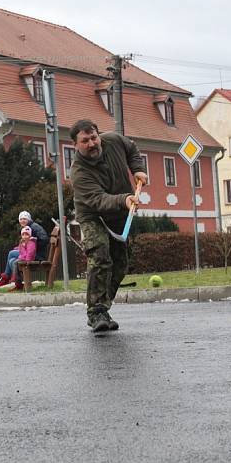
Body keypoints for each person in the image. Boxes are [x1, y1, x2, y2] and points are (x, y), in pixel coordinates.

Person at [69, 119, 148, 333]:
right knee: (101, 255)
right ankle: (95, 313)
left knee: (121, 263)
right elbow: (99, 200)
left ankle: (104, 307)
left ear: (98, 134)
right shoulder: (79, 173)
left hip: (120, 212)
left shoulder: (113, 140)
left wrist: (137, 169)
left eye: (93, 137)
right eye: (85, 141)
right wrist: (124, 199)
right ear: (75, 145)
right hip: (93, 215)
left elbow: (131, 149)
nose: (92, 143)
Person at [0, 210, 48, 288]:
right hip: (33, 253)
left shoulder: (33, 227)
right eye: (21, 219)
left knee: (11, 253)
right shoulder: (28, 228)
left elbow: (44, 239)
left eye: (25, 219)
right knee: (12, 261)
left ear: (29, 219)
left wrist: (33, 245)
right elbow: (26, 244)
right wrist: (22, 247)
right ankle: (18, 284)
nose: (22, 220)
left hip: (37, 255)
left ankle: (7, 277)